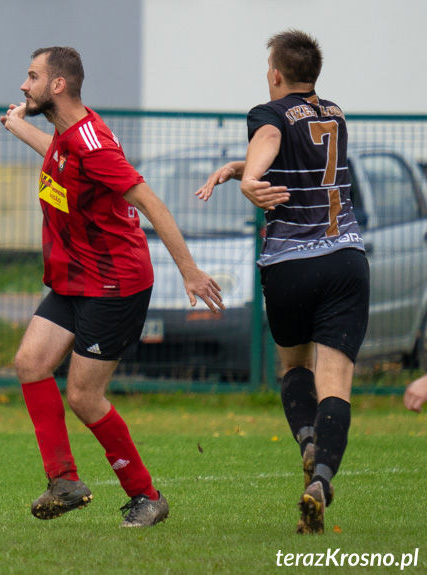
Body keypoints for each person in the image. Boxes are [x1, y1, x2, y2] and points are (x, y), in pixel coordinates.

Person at [0, 46, 224, 528]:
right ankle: (63, 480)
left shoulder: (92, 142)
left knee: (83, 395)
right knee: (31, 363)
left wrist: (188, 270)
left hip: (113, 283)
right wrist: (20, 128)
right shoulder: (68, 134)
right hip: (77, 277)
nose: (24, 85)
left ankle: (146, 495)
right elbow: (64, 160)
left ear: (58, 85)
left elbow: (150, 201)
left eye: (33, 76)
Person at [196, 30, 369, 534]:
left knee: (294, 364)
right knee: (336, 381)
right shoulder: (335, 113)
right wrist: (239, 167)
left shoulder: (267, 112)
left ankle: (307, 436)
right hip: (346, 261)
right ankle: (321, 477)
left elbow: (271, 139)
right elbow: (302, 159)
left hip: (291, 264)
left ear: (275, 74)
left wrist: (249, 178)